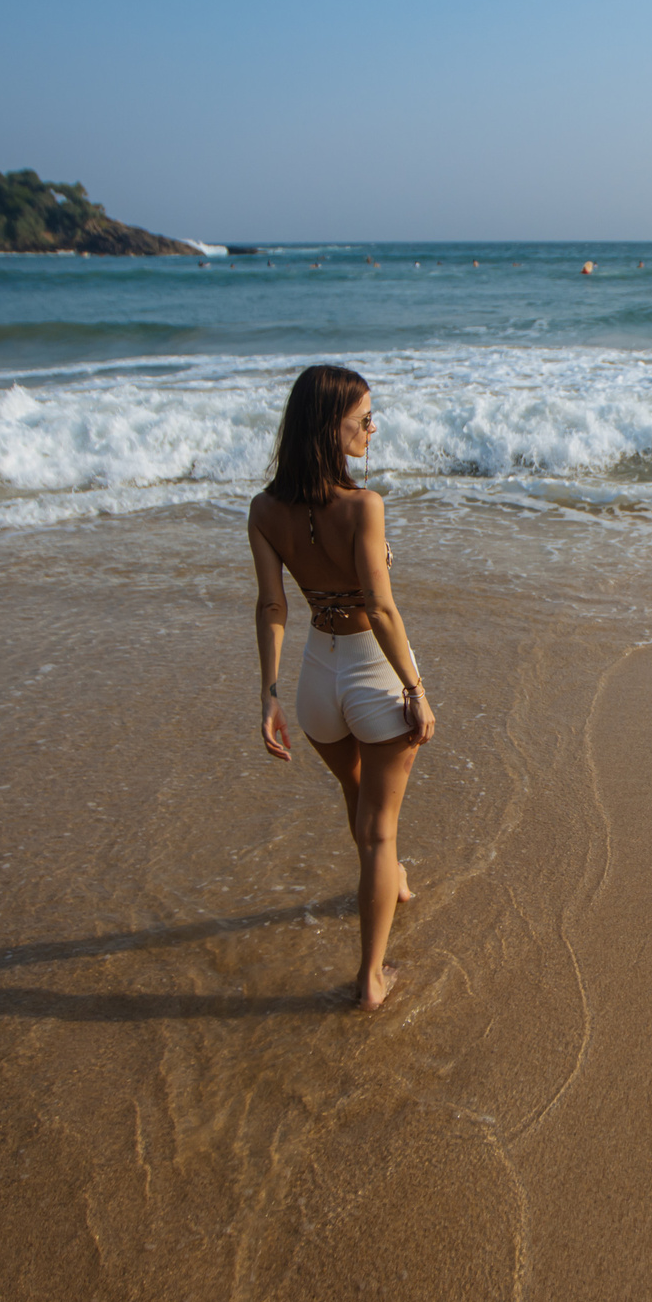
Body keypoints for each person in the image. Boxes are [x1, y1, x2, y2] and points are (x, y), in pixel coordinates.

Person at [249, 365, 437, 1010]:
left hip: (314, 682)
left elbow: (272, 606)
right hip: (373, 672)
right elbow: (381, 610)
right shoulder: (364, 506)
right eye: (363, 418)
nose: (372, 427)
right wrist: (414, 688)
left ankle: (393, 880)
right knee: (380, 831)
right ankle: (370, 979)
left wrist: (269, 694)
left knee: (362, 808)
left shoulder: (264, 509)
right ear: (330, 428)